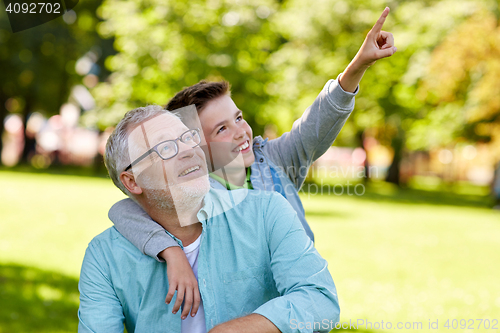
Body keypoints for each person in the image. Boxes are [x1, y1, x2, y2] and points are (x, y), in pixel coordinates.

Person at [107, 7, 397, 320]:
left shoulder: (273, 161)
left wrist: (357, 67)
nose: (240, 133)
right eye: (221, 129)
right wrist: (171, 250)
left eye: (238, 118)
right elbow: (126, 210)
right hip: (229, 314)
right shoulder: (189, 187)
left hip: (290, 312)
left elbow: (316, 125)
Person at [78, 106, 340, 333]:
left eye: (189, 138)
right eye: (166, 148)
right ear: (132, 181)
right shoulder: (105, 256)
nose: (188, 151)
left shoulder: (267, 212)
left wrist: (241, 328)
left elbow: (320, 300)